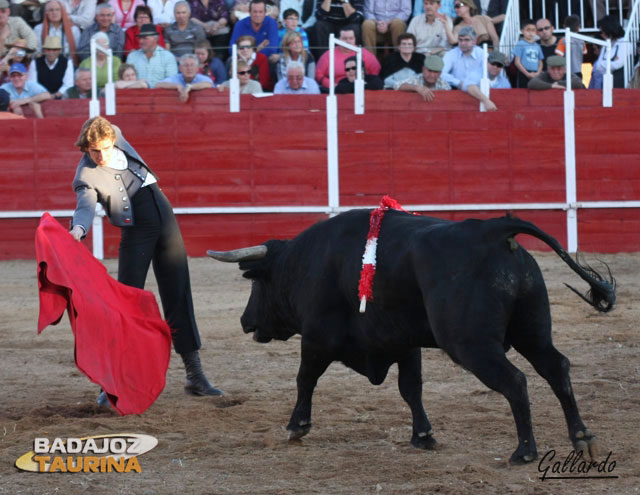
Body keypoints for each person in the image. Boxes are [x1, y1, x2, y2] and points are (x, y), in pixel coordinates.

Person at [69, 116, 224, 403]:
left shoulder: (116, 132)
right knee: (125, 304)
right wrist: (78, 229)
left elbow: (106, 126)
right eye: (94, 151)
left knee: (178, 293)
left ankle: (195, 375)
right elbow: (85, 205)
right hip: (137, 230)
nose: (100, 156)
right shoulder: (86, 175)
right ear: (85, 148)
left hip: (164, 217)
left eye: (104, 148)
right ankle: (110, 384)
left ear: (112, 140)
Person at [315, 27, 380, 89]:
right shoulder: (329, 55)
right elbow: (318, 74)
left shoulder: (364, 53)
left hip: (361, 89)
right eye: (344, 38)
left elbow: (376, 71)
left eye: (351, 38)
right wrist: (332, 85)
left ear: (355, 39)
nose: (348, 41)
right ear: (338, 39)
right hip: (338, 90)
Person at [126, 23, 178, 88]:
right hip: (137, 95)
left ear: (156, 39)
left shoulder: (168, 57)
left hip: (161, 96)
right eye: (140, 38)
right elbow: (127, 80)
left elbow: (172, 81)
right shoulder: (132, 56)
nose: (141, 41)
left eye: (145, 38)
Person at [590, 15, 628, 89]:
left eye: (602, 32)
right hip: (606, 84)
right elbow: (598, 66)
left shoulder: (624, 42)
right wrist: (611, 61)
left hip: (619, 84)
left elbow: (618, 64)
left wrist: (605, 63)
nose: (602, 34)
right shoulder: (605, 45)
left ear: (610, 30)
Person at [512, 19, 543, 88]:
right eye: (528, 30)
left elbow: (540, 62)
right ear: (522, 31)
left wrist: (538, 73)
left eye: (533, 30)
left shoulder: (537, 46)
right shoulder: (520, 44)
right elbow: (517, 62)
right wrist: (527, 73)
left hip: (535, 73)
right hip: (523, 72)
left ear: (536, 32)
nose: (530, 33)